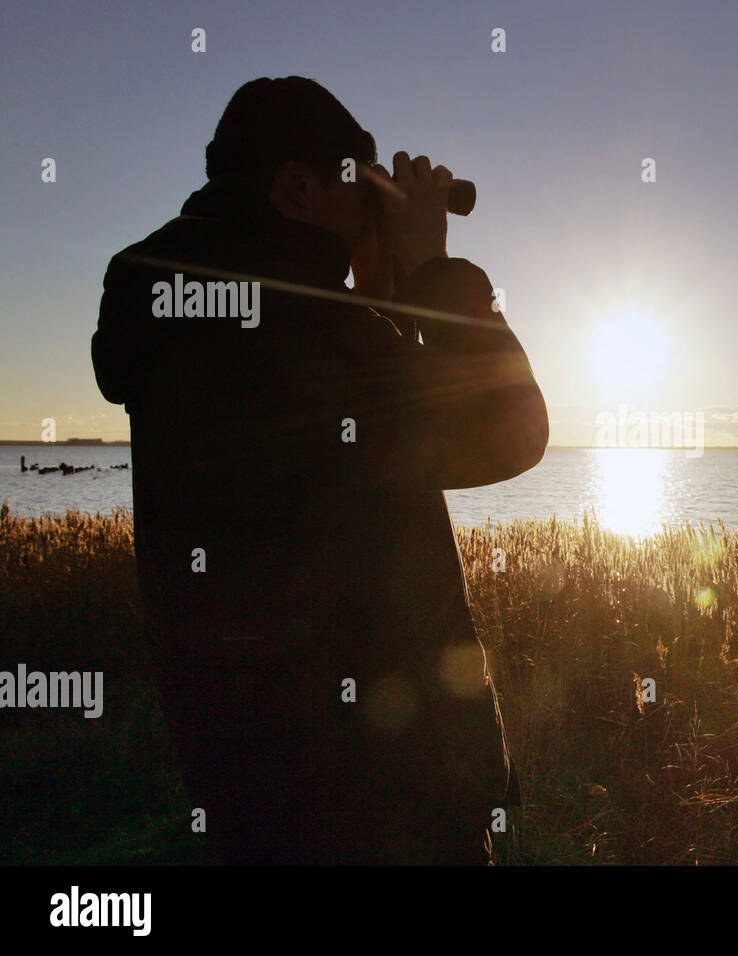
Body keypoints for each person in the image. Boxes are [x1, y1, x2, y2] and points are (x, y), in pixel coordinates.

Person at [90, 76, 547, 864]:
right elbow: (508, 433)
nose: (367, 210)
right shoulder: (308, 328)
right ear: (297, 184)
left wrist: (379, 301)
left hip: (250, 785)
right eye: (355, 184)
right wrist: (435, 271)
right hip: (391, 800)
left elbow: (345, 463)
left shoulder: (172, 310)